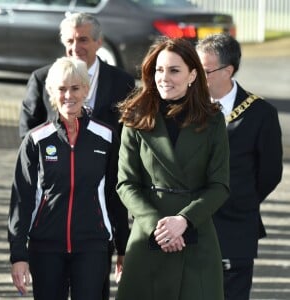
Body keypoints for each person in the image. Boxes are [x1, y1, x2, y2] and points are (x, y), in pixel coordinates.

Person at [18, 12, 134, 299]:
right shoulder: (42, 80)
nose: (75, 46)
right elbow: (28, 139)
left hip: (94, 232)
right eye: (69, 40)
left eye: (83, 39)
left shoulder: (122, 84)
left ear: (98, 41)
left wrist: (123, 243)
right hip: (48, 232)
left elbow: (117, 179)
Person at [115, 37, 230, 300]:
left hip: (196, 237)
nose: (164, 77)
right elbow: (125, 183)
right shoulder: (136, 117)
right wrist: (159, 226)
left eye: (174, 70)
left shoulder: (213, 120)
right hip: (148, 236)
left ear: (192, 75)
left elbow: (220, 185)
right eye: (159, 70)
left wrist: (184, 221)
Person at [196, 33, 283, 300]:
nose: (196, 77)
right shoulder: (186, 107)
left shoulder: (260, 113)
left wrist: (239, 198)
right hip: (191, 224)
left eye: (204, 71)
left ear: (228, 70)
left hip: (236, 225)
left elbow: (269, 173)